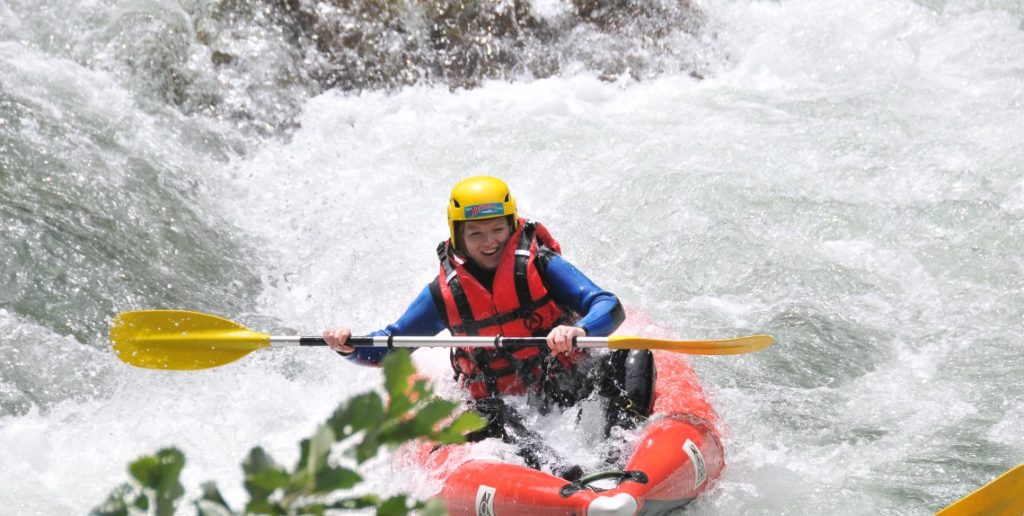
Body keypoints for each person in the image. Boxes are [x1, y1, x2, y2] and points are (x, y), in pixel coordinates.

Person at [323, 176, 654, 476]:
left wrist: (579, 331)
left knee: (634, 354)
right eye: (476, 233)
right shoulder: (444, 293)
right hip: (503, 403)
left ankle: (619, 454)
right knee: (487, 412)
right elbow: (391, 345)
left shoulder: (541, 264)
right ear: (458, 236)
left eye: (497, 229)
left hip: (569, 384)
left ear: (511, 226)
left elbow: (608, 305)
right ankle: (558, 475)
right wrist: (350, 346)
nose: (489, 242)